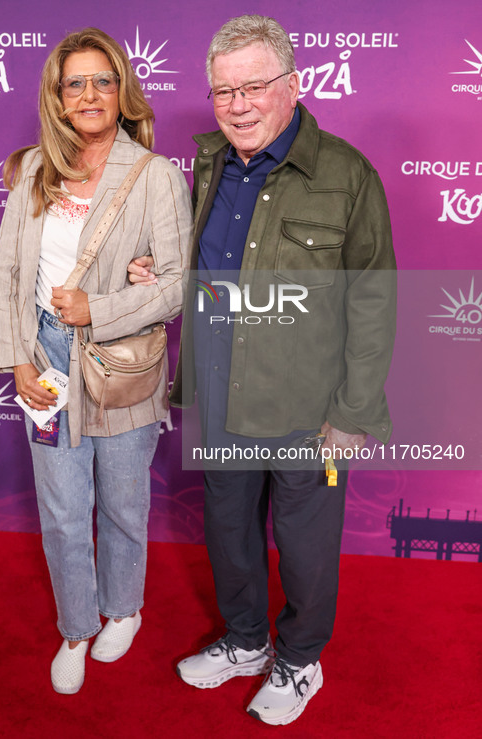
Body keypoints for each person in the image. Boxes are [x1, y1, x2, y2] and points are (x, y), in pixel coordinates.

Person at [129, 14, 395, 727]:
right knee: (228, 532)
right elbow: (215, 264)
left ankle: (298, 657)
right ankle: (246, 641)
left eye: (253, 87)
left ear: (293, 85)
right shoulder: (210, 162)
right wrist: (159, 268)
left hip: (310, 407)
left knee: (305, 547)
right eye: (223, 91)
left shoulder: (345, 174)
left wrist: (353, 412)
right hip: (220, 394)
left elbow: (373, 300)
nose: (237, 104)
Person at [0, 27, 192, 695]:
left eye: (102, 80)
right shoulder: (33, 170)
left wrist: (97, 309)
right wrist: (19, 355)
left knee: (125, 501)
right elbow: (10, 273)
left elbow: (174, 283)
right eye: (74, 82)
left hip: (122, 360)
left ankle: (123, 608)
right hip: (47, 355)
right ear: (57, 95)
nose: (89, 94)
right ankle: (75, 626)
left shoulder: (154, 175)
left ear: (122, 90)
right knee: (62, 506)